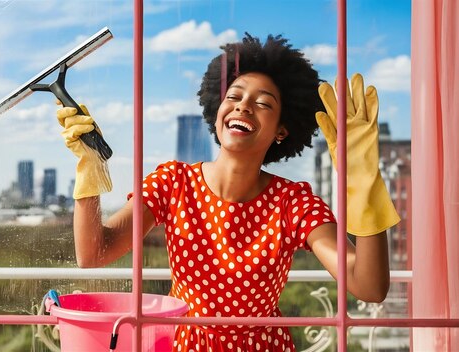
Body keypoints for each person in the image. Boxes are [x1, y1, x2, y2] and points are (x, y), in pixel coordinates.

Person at [56, 33, 400, 352]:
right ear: (217, 110)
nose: (243, 106)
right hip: (184, 345)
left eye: (263, 103)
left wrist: (366, 184)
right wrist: (91, 167)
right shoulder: (173, 182)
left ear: (282, 129)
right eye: (233, 97)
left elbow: (368, 286)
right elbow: (93, 253)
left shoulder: (292, 202)